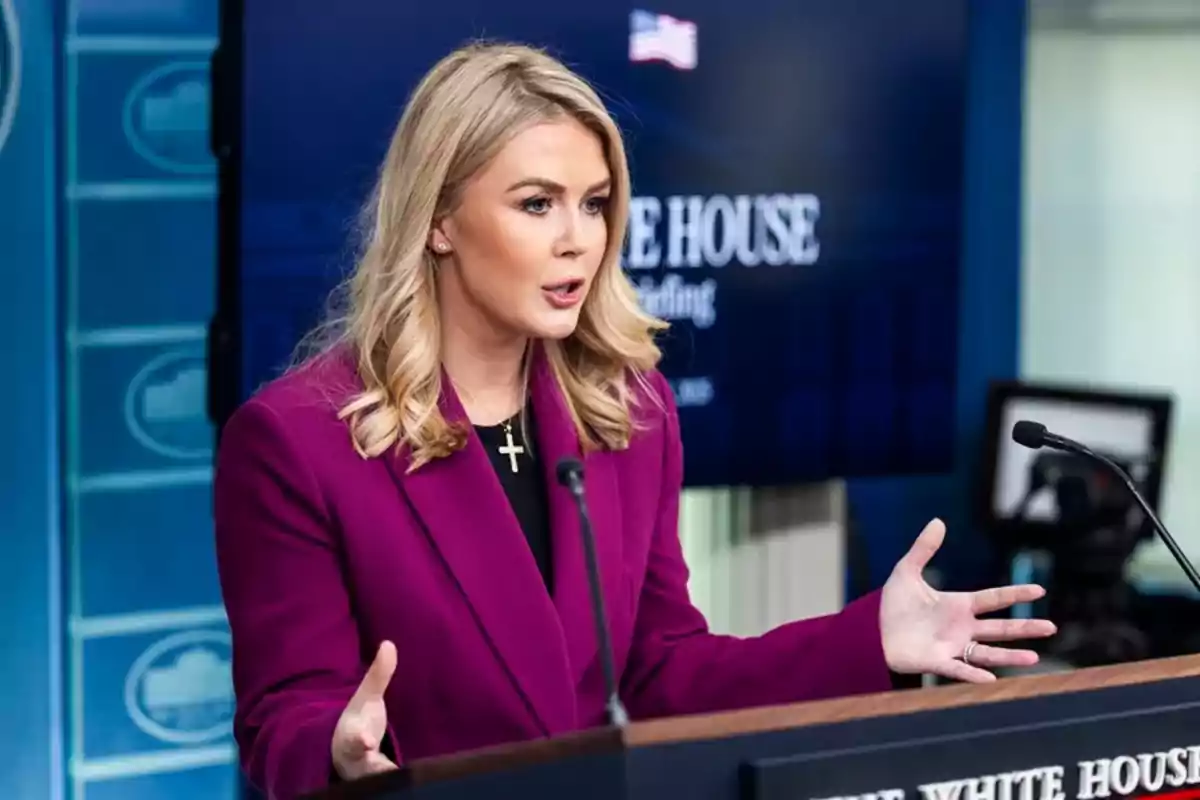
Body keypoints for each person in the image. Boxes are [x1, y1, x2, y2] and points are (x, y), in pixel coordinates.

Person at [212, 41, 1056, 800]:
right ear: (438, 220)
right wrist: (339, 752)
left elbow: (658, 669)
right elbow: (288, 711)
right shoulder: (298, 441)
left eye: (595, 202)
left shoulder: (629, 413)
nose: (579, 238)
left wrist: (864, 638)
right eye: (537, 204)